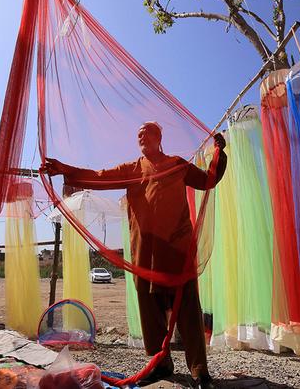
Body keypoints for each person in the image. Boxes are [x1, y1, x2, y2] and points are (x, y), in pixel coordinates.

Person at [41, 122, 227, 388]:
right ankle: (160, 365)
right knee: (149, 312)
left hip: (176, 250)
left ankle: (199, 371)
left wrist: (219, 154)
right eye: (138, 133)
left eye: (147, 132)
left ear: (159, 138)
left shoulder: (176, 164)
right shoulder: (131, 170)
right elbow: (99, 175)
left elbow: (208, 180)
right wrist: (65, 170)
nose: (141, 136)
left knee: (186, 309)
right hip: (144, 252)